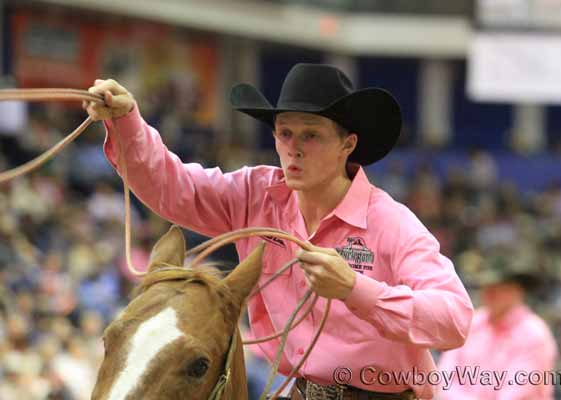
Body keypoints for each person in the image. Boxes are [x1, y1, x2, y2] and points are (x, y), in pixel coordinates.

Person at [85, 63, 474, 400]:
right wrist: (128, 122)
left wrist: (356, 290)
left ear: (347, 144)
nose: (294, 148)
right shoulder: (255, 193)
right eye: (284, 133)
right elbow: (172, 187)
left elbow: (454, 319)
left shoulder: (391, 222)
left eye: (311, 135)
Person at [437, 253, 557, 399]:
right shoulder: (472, 324)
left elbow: (517, 392)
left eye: (499, 287)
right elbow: (444, 378)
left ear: (517, 290)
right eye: (487, 286)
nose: (489, 292)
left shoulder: (533, 334)